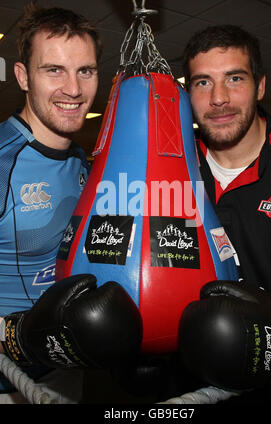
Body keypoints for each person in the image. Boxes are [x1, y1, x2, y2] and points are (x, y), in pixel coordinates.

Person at [180, 24, 271, 403]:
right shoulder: (169, 167)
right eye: (202, 83)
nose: (218, 98)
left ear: (260, 86)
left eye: (234, 78)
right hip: (189, 381)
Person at [0, 3, 101, 403]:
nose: (73, 89)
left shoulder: (81, 159)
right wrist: (10, 333)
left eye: (85, 71)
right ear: (23, 76)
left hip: (63, 367)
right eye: (54, 70)